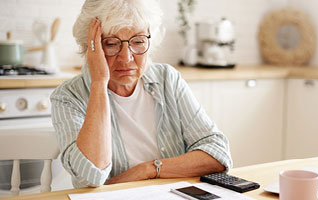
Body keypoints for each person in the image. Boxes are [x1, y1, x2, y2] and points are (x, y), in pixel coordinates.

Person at [50, 0, 232, 188]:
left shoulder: (167, 79)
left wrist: (149, 169)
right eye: (111, 43)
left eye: (137, 41)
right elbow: (90, 176)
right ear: (90, 47)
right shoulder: (68, 96)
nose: (126, 57)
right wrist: (98, 83)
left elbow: (218, 154)